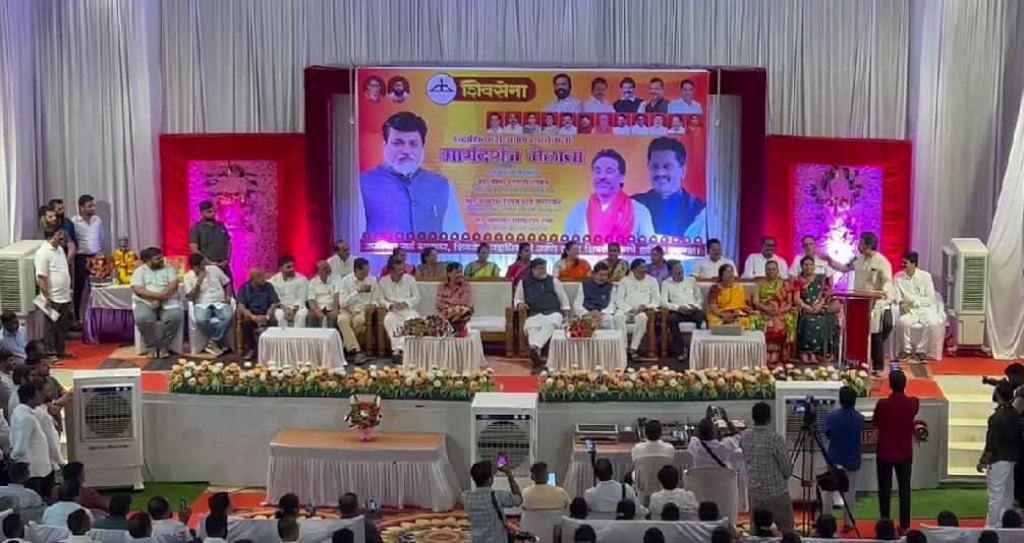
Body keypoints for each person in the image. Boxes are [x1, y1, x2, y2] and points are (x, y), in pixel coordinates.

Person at [360, 112, 466, 234]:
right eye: (398, 143)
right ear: (385, 146)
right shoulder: (363, 184)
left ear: (422, 148)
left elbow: (456, 236)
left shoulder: (443, 186)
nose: (406, 150)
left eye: (413, 144)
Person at [826, 231, 893, 372]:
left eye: (861, 243)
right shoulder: (858, 259)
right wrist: (830, 261)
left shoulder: (882, 262)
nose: (858, 246)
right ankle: (854, 360)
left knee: (875, 335)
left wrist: (883, 293)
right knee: (856, 332)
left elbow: (887, 283)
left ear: (869, 246)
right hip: (857, 302)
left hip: (875, 304)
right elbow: (844, 268)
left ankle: (878, 367)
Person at [564, 150, 656, 240]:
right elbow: (567, 246)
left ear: (622, 177)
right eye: (597, 171)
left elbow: (649, 248)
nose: (601, 177)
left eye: (609, 171)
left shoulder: (639, 211)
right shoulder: (579, 211)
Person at [632, 137, 706, 240]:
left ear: (683, 171)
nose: (660, 173)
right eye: (655, 166)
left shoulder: (699, 211)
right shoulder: (635, 206)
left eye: (667, 166)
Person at [873, 370, 919, 533]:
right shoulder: (913, 403)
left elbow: (876, 421)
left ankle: (885, 522)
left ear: (890, 385)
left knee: (884, 488)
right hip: (904, 451)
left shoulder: (883, 404)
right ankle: (905, 525)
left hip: (885, 451)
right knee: (904, 489)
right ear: (905, 384)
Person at [740, 402, 794, 533]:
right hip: (776, 493)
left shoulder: (745, 436)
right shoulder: (775, 439)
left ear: (753, 417)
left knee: (757, 532)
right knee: (787, 530)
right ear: (769, 418)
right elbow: (787, 470)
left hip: (755, 493)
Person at [515, 258, 571, 368]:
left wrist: (566, 314)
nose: (543, 271)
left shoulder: (554, 281)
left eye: (544, 268)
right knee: (531, 328)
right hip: (534, 313)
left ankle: (534, 348)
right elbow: (517, 299)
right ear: (532, 270)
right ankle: (536, 353)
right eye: (540, 269)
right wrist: (520, 304)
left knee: (550, 324)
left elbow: (564, 300)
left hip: (553, 313)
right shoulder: (524, 282)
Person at [979, 381, 1021, 527]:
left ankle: (991, 525)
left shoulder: (997, 417)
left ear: (998, 394)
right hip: (1012, 458)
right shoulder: (1015, 414)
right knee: (1007, 495)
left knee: (995, 495)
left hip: (998, 460)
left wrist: (983, 461)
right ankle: (1006, 524)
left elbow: (991, 443)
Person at [823, 386, 864, 533]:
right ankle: (849, 522)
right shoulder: (860, 419)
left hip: (834, 458)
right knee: (850, 491)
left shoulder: (832, 417)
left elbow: (828, 434)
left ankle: (826, 520)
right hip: (852, 459)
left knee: (828, 490)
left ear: (840, 400)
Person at [131, 247, 183, 359]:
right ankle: (151, 346)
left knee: (175, 317)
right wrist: (158, 298)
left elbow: (173, 285)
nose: (161, 260)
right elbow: (138, 290)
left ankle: (164, 347)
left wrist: (160, 300)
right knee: (142, 318)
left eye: (161, 257)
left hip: (168, 300)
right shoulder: (139, 271)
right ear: (148, 261)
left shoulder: (169, 269)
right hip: (145, 301)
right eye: (157, 259)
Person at [894, 251, 943, 360]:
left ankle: (920, 350)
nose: (902, 265)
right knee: (902, 322)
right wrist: (901, 303)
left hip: (924, 308)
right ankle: (907, 350)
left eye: (905, 263)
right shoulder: (898, 277)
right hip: (909, 310)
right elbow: (897, 295)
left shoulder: (925, 276)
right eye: (902, 262)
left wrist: (913, 303)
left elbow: (930, 298)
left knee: (932, 323)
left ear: (913, 264)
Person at [34, 226, 74, 360]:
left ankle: (61, 350)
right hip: (52, 296)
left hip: (64, 295)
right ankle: (51, 353)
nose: (62, 237)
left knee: (62, 326)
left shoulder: (60, 250)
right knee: (51, 327)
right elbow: (41, 277)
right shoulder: (43, 252)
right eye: (59, 235)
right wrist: (46, 297)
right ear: (50, 237)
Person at [183, 253, 233, 356]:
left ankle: (213, 341)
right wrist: (198, 282)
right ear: (194, 266)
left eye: (204, 264)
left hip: (219, 301)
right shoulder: (188, 277)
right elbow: (190, 297)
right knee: (201, 320)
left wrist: (228, 296)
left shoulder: (214, 269)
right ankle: (218, 341)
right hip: (202, 303)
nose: (204, 267)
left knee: (228, 316)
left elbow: (227, 283)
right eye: (201, 265)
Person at [794, 256, 839, 364]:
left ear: (814, 266)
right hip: (806, 309)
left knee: (829, 320)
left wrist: (820, 304)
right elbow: (797, 299)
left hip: (821, 308)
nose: (808, 267)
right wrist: (808, 308)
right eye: (805, 265)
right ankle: (807, 353)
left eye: (811, 264)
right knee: (808, 321)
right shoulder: (798, 281)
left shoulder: (822, 279)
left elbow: (827, 294)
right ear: (801, 267)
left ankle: (822, 353)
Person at [463, 460, 522, 543]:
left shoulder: (466, 496)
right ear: (490, 479)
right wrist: (509, 474)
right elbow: (518, 499)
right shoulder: (498, 496)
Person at [751, 260, 796, 364]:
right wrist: (766, 309)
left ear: (778, 270)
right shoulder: (760, 284)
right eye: (768, 269)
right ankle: (764, 350)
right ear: (765, 271)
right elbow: (756, 301)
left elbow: (789, 303)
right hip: (764, 310)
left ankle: (776, 351)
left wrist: (779, 310)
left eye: (773, 269)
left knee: (784, 318)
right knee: (755, 319)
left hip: (780, 310)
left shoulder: (785, 284)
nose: (771, 271)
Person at [336, 258, 379, 365]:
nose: (368, 272)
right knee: (341, 320)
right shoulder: (346, 280)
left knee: (359, 321)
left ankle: (346, 347)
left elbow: (376, 299)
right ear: (357, 270)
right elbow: (343, 303)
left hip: (361, 310)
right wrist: (357, 292)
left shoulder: (372, 280)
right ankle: (356, 351)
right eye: (365, 270)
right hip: (347, 310)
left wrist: (373, 305)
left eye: (368, 269)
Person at [379, 256, 422, 364]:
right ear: (391, 271)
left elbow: (417, 297)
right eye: (398, 270)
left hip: (408, 310)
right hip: (393, 311)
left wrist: (406, 303)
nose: (402, 272)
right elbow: (380, 299)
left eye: (402, 269)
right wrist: (390, 305)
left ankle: (399, 350)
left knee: (413, 320)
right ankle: (397, 350)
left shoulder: (410, 279)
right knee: (389, 320)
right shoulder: (383, 281)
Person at [616, 259, 661, 359]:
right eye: (642, 268)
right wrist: (629, 309)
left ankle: (633, 349)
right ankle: (623, 347)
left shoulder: (652, 280)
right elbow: (619, 299)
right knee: (618, 317)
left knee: (642, 318)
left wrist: (646, 306)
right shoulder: (624, 281)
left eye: (645, 267)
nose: (645, 270)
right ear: (634, 269)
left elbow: (657, 300)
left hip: (642, 311)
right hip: (626, 310)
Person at [662, 259, 706, 362]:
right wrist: (678, 308)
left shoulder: (691, 280)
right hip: (678, 312)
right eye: (677, 269)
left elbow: (699, 298)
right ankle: (681, 351)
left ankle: (699, 349)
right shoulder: (666, 283)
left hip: (693, 310)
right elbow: (663, 302)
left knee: (702, 318)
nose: (680, 271)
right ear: (670, 271)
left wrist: (695, 306)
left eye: (681, 268)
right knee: (671, 319)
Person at [71, 194, 104, 322]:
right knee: (79, 288)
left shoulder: (97, 220)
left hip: (96, 258)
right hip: (81, 258)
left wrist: (98, 252)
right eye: (89, 206)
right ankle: (77, 318)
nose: (92, 208)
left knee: (97, 288)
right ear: (81, 208)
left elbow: (101, 238)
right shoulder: (74, 221)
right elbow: (73, 240)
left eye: (93, 206)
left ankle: (97, 317)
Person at [236, 268, 280, 361]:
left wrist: (267, 316)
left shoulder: (268, 286)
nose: (263, 279)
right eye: (260, 277)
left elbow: (274, 303)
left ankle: (272, 350)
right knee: (246, 323)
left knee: (274, 322)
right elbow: (241, 306)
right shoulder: (244, 288)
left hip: (266, 314)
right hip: (252, 315)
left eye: (263, 276)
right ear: (253, 279)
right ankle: (251, 349)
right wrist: (252, 317)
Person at [188, 201, 232, 282]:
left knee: (228, 286)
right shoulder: (196, 228)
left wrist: (227, 260)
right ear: (202, 213)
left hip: (224, 266)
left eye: (214, 211)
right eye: (209, 212)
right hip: (208, 267)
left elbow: (229, 243)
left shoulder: (221, 226)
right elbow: (194, 249)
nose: (213, 213)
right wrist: (210, 262)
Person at [572, 262, 618, 330]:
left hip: (603, 315)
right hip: (587, 314)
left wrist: (601, 313)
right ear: (594, 274)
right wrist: (587, 313)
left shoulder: (611, 287)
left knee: (609, 319)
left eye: (605, 275)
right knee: (583, 321)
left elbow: (612, 304)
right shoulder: (584, 285)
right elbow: (577, 303)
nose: (603, 278)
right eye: (600, 275)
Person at [707, 264, 752, 329]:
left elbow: (746, 304)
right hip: (719, 314)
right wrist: (723, 316)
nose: (731, 274)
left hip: (737, 313)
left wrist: (736, 314)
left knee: (745, 321)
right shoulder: (715, 288)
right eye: (728, 272)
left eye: (732, 271)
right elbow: (713, 306)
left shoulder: (739, 287)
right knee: (714, 321)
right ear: (721, 276)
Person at [269, 256, 309, 328]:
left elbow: (301, 298)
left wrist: (294, 310)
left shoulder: (302, 279)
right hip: (281, 307)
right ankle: (283, 335)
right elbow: (276, 299)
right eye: (288, 267)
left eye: (293, 266)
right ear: (280, 269)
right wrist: (285, 309)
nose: (292, 269)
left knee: (300, 315)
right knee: (280, 315)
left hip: (299, 307)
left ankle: (297, 335)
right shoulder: (273, 280)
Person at [436, 263, 473, 332]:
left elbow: (464, 302)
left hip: (460, 314)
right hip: (444, 313)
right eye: (457, 272)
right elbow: (438, 303)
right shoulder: (442, 286)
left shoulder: (466, 285)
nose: (460, 275)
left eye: (461, 272)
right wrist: (450, 308)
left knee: (460, 319)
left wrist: (448, 301)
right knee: (440, 323)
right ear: (449, 274)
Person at [307, 260, 339, 328]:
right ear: (318, 272)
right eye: (325, 268)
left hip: (331, 307)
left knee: (332, 316)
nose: (328, 270)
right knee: (311, 315)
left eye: (328, 267)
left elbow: (337, 296)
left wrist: (335, 309)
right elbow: (311, 300)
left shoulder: (336, 279)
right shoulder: (312, 282)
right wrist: (317, 310)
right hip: (318, 307)